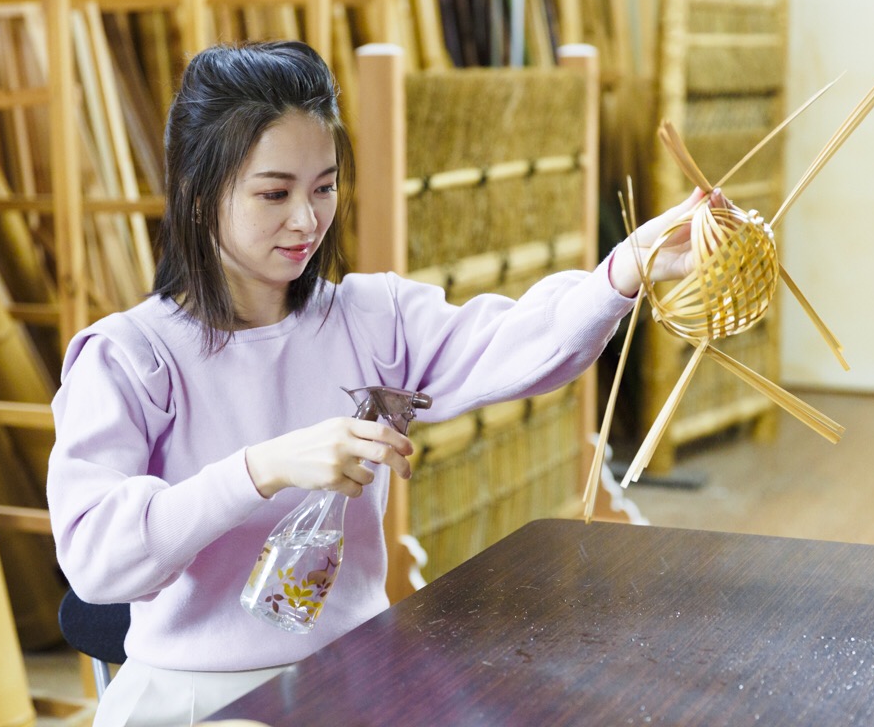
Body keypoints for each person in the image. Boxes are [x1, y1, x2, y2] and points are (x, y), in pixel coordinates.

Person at [47, 40, 719, 726]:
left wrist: (624, 271)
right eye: (274, 193)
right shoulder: (130, 356)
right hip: (193, 697)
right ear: (197, 192)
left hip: (353, 682)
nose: (307, 220)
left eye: (325, 186)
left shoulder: (372, 319)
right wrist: (262, 468)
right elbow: (98, 561)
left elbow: (523, 344)